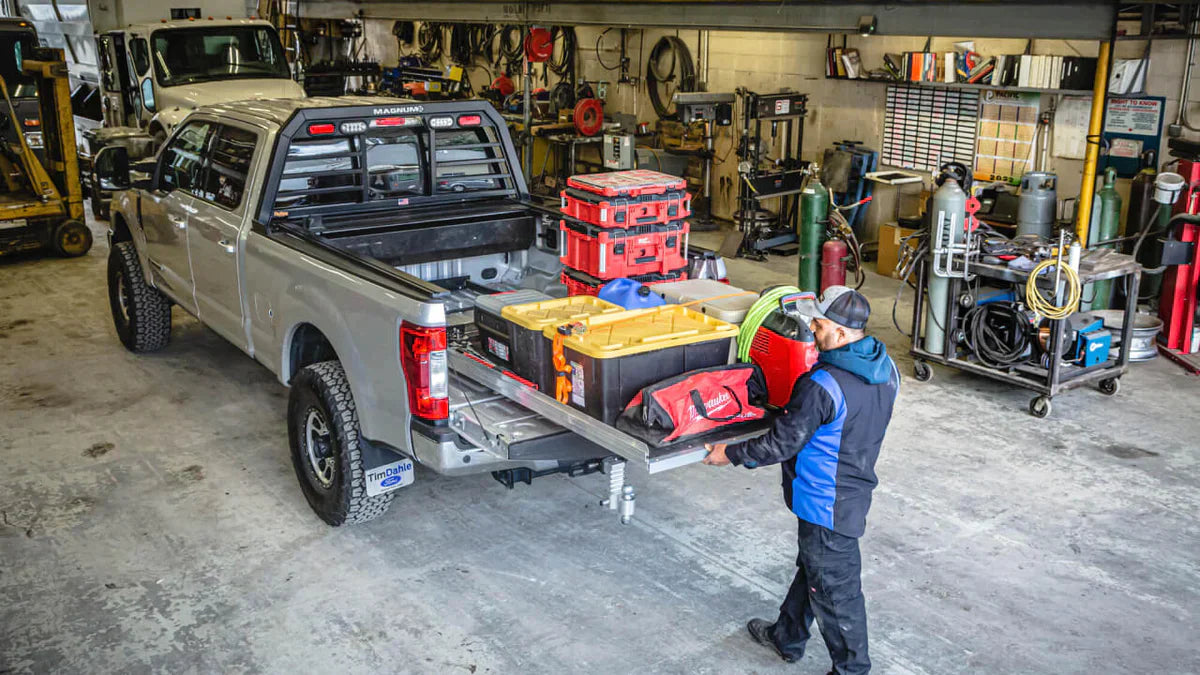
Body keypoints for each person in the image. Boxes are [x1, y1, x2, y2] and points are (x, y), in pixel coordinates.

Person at [703, 285, 899, 675]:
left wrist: (730, 453)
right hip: (854, 486)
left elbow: (780, 443)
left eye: (820, 323)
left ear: (841, 334)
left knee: (834, 590)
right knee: (815, 568)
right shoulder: (885, 368)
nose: (812, 327)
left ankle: (852, 669)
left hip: (826, 502)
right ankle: (787, 636)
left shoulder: (822, 385)